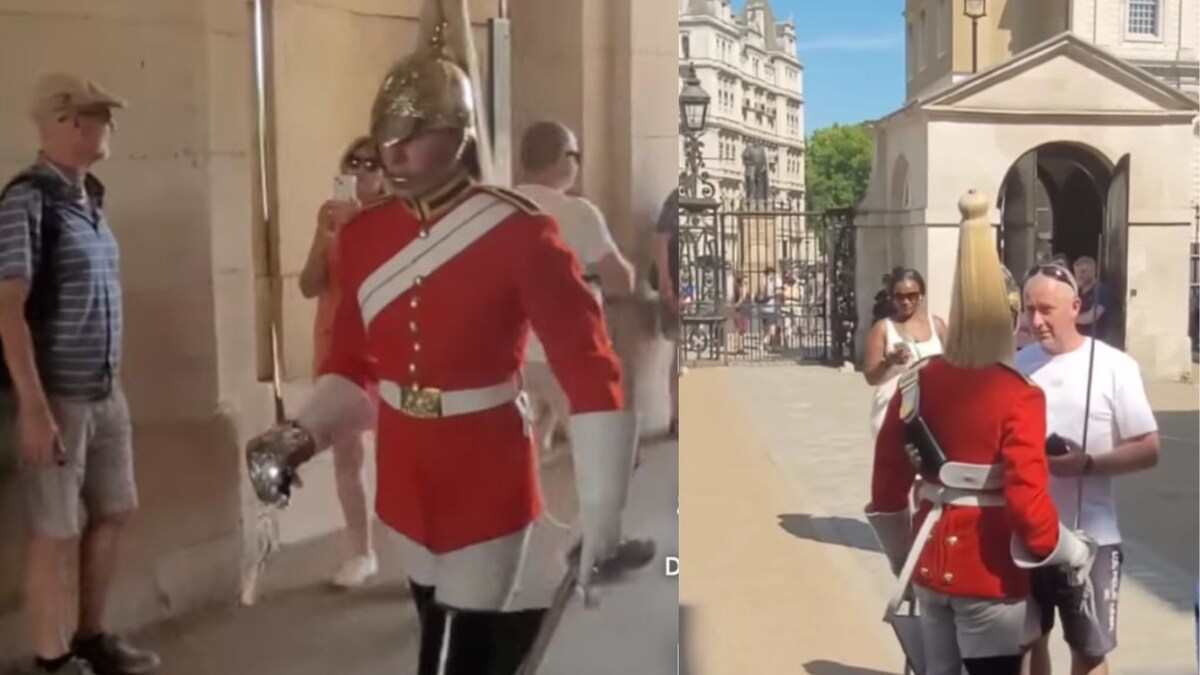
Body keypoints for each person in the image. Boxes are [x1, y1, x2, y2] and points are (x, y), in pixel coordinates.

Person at [243, 1, 638, 673]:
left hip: (487, 472)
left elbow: (589, 366)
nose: (392, 151)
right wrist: (300, 435)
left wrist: (603, 503)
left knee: (452, 652)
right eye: (384, 134)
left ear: (456, 133)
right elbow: (355, 365)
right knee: (441, 626)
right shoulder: (364, 237)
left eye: (413, 133)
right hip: (404, 473)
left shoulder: (520, 231)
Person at [866, 192, 1095, 674]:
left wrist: (902, 557)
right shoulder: (1020, 393)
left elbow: (886, 488)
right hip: (990, 570)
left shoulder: (916, 381)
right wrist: (1072, 550)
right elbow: (1028, 506)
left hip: (930, 563)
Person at [0, 74, 160, 675]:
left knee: (114, 510)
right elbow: (7, 305)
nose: (108, 127)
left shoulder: (88, 194)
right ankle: (52, 658)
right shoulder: (27, 201)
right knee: (54, 530)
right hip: (57, 396)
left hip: (103, 391)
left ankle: (92, 635)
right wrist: (33, 407)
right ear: (67, 123)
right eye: (100, 116)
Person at [1017, 263, 1160, 675]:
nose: (1036, 320)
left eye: (1046, 309)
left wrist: (1089, 463)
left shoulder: (1116, 366)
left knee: (1089, 650)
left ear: (1075, 306)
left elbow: (1148, 449)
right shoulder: (1018, 364)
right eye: (1029, 310)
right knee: (1027, 642)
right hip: (1027, 534)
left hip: (1093, 536)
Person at [298, 136, 390, 588]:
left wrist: (358, 230)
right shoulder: (333, 220)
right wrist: (324, 235)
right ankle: (360, 551)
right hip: (337, 347)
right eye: (352, 162)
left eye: (371, 164)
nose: (362, 171)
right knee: (347, 452)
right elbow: (308, 284)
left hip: (384, 352)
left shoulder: (396, 220)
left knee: (404, 453)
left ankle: (424, 554)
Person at [515, 121, 634, 461]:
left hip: (514, 352)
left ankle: (531, 515)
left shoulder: (500, 207)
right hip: (567, 353)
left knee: (526, 458)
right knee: (598, 457)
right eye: (575, 155)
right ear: (561, 160)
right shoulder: (578, 212)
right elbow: (620, 280)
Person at [861, 268, 947, 437]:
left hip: (930, 410)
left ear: (921, 295)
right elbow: (870, 377)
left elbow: (954, 363)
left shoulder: (937, 325)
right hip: (892, 409)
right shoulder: (883, 328)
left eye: (911, 295)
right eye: (899, 296)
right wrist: (889, 362)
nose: (905, 301)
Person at [652, 187, 679, 435]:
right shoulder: (677, 197)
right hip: (681, 283)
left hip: (703, 285)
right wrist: (665, 282)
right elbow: (662, 238)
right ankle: (679, 416)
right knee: (681, 352)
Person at [1071, 256, 1117, 345]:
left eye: (1083, 272)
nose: (1079, 275)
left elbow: (1091, 317)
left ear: (1093, 271)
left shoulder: (1102, 290)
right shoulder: (1077, 292)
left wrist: (1067, 319)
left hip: (1096, 342)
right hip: (1077, 341)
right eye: (1076, 272)